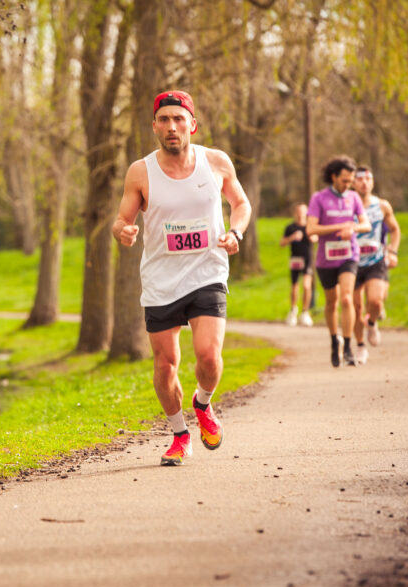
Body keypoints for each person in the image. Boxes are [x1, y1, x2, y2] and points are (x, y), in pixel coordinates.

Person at [112, 90, 252, 465]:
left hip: (207, 272)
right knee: (165, 364)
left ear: (192, 124)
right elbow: (121, 219)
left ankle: (202, 404)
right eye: (164, 120)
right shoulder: (140, 171)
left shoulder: (216, 162)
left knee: (208, 355)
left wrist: (235, 233)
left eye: (179, 119)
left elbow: (241, 203)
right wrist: (123, 231)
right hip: (161, 281)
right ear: (154, 126)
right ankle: (179, 433)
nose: (172, 127)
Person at [306, 156, 370, 367]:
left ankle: (349, 346)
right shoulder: (319, 198)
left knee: (346, 299)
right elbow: (311, 229)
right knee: (332, 302)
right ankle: (335, 341)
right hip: (326, 259)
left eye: (350, 181)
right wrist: (338, 227)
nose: (348, 185)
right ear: (333, 177)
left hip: (348, 255)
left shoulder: (353, 197)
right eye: (344, 180)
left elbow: (365, 224)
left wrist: (352, 228)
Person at [351, 166, 401, 364]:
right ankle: (361, 347)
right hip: (353, 260)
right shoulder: (348, 205)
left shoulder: (382, 205)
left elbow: (395, 230)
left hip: (376, 260)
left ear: (372, 182)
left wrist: (392, 251)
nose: (364, 182)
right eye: (360, 179)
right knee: (355, 307)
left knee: (376, 301)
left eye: (368, 179)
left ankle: (371, 322)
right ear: (354, 183)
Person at [279, 204, 317, 326]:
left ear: (307, 212)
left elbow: (316, 238)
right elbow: (282, 242)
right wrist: (292, 237)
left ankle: (305, 312)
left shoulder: (309, 226)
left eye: (303, 211)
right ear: (295, 213)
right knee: (294, 286)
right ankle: (293, 310)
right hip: (295, 259)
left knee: (306, 286)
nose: (300, 213)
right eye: (298, 211)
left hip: (308, 260)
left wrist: (311, 236)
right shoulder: (290, 227)